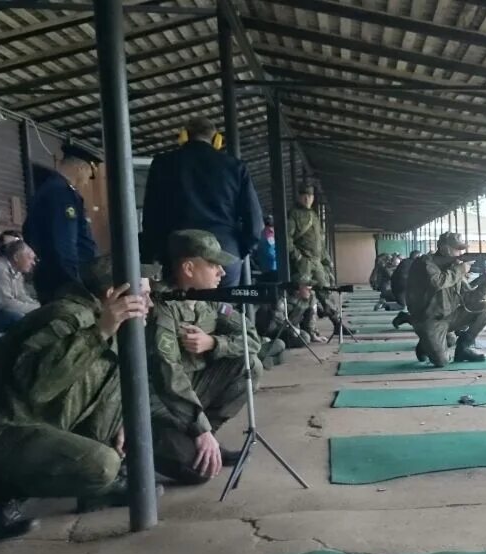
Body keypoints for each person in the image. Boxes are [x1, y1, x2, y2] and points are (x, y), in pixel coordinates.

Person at [0, 255, 157, 538]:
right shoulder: (67, 317)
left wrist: (120, 423)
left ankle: (93, 490)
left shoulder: (102, 319)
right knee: (102, 466)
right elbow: (39, 385)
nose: (150, 304)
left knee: (106, 450)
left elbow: (106, 381)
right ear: (113, 295)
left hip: (29, 421)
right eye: (143, 296)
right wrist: (101, 331)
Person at [146, 229, 257, 485]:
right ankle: (144, 451)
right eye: (213, 265)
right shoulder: (163, 307)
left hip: (194, 392)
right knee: (199, 472)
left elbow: (252, 339)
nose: (221, 272)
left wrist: (214, 343)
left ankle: (207, 439)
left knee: (249, 364)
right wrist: (200, 428)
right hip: (163, 403)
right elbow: (168, 375)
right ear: (188, 268)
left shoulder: (209, 300)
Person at [140, 117, 263, 287]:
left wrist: (152, 256)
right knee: (224, 310)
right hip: (224, 251)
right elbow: (255, 221)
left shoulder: (163, 163)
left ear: (184, 137)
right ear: (217, 140)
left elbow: (151, 216)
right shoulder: (235, 167)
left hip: (180, 252)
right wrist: (240, 251)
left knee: (179, 308)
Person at [23, 142, 100, 303]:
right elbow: (64, 245)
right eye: (89, 174)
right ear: (81, 168)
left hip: (52, 278)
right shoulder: (61, 194)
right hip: (64, 283)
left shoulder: (49, 189)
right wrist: (75, 283)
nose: (87, 181)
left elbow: (28, 232)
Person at [407, 231, 486, 367]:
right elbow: (437, 282)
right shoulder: (425, 263)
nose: (461, 253)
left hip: (450, 316)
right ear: (444, 248)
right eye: (458, 249)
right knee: (441, 362)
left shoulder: (453, 268)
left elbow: (469, 297)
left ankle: (463, 349)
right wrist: (460, 269)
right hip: (429, 320)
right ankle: (425, 344)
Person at [286, 184, 351, 334]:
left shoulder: (314, 216)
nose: (307, 198)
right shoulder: (294, 214)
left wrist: (326, 261)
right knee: (304, 296)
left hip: (316, 261)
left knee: (325, 292)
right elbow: (287, 239)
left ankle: (337, 324)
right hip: (303, 262)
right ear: (298, 196)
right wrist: (298, 256)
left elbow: (320, 242)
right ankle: (295, 328)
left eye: (310, 195)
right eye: (304, 195)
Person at [0, 237, 39, 333]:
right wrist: (38, 308)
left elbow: (21, 296)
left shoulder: (17, 270)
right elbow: (5, 304)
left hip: (3, 313)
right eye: (30, 258)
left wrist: (39, 306)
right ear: (16, 257)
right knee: (21, 319)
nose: (33, 263)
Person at [389, 249, 421, 328]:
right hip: (404, 289)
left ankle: (404, 316)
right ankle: (404, 317)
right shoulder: (413, 264)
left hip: (400, 288)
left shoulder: (405, 262)